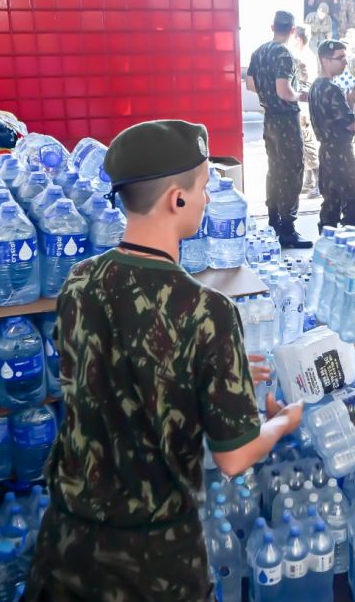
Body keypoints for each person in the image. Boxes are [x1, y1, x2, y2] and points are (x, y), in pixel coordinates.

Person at [25, 120, 304, 601]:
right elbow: (233, 457)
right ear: (176, 199)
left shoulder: (79, 281)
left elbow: (105, 374)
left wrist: (213, 376)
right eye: (203, 188)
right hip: (154, 557)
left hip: (67, 542)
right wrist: (282, 424)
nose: (207, 200)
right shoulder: (207, 311)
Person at [245, 11, 313, 248]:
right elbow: (285, 91)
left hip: (269, 118)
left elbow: (251, 84)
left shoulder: (259, 52)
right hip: (286, 119)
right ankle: (288, 229)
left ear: (272, 26)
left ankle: (274, 220)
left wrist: (268, 94)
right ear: (293, 30)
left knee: (274, 170)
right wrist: (303, 94)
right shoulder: (284, 54)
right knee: (292, 171)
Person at [309, 39, 355, 230]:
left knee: (331, 202)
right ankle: (349, 247)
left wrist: (349, 103)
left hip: (326, 152)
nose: (345, 62)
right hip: (341, 154)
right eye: (340, 58)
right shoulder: (332, 89)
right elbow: (351, 124)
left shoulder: (316, 86)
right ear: (325, 60)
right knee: (354, 203)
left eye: (345, 57)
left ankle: (327, 245)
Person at [291, 26, 321, 199]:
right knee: (304, 145)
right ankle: (309, 181)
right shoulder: (309, 55)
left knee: (308, 144)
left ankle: (318, 183)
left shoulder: (301, 58)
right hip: (304, 102)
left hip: (302, 105)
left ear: (299, 39)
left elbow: (303, 84)